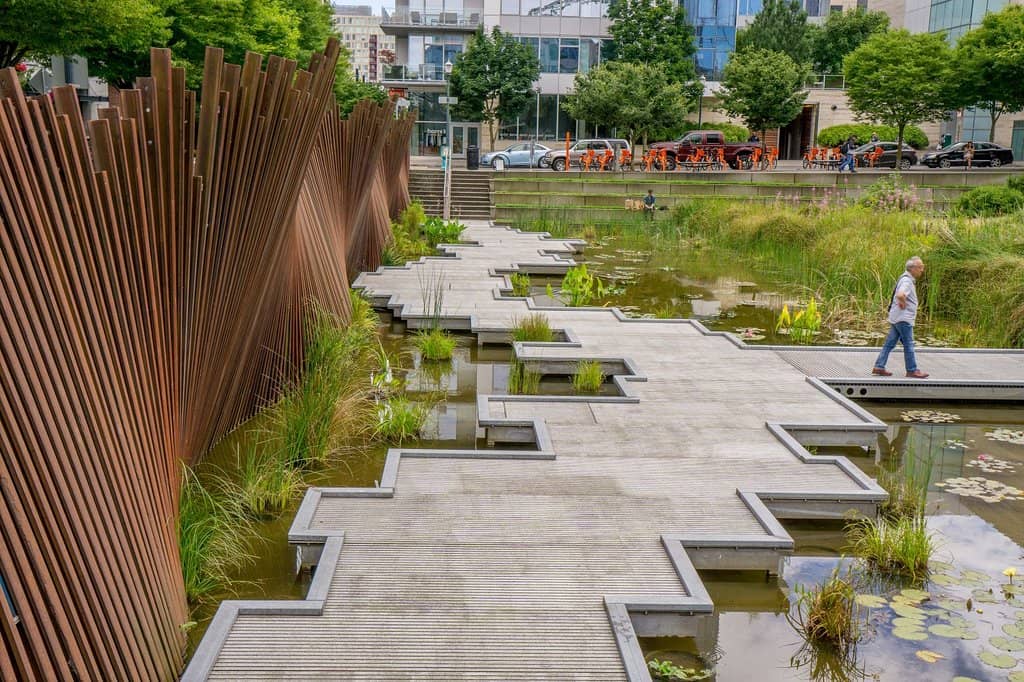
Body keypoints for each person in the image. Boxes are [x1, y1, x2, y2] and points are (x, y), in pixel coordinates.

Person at [872, 257, 929, 379]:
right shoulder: (907, 281)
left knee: (889, 343)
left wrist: (902, 301)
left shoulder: (904, 278)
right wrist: (903, 302)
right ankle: (912, 370)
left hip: (897, 317)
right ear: (912, 268)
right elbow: (900, 294)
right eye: (920, 267)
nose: (922, 270)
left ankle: (879, 366)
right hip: (903, 319)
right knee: (909, 344)